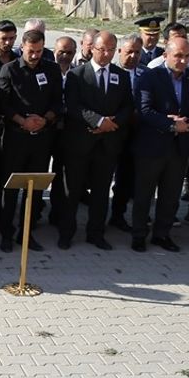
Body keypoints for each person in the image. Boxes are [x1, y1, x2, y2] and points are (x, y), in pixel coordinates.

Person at [130, 37, 189, 252]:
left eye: (187, 56)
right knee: (144, 193)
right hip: (152, 146)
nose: (182, 61)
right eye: (178, 56)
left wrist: (186, 124)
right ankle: (138, 235)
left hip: (179, 147)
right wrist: (171, 124)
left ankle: (161, 234)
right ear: (166, 55)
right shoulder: (150, 77)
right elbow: (144, 110)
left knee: (170, 195)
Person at [59, 31, 133, 250]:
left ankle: (96, 233)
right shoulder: (77, 75)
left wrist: (113, 123)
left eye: (111, 50)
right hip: (80, 142)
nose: (106, 54)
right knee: (72, 191)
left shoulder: (121, 75)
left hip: (107, 144)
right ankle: (66, 233)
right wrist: (98, 121)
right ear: (92, 49)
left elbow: (128, 106)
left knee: (101, 192)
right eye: (102, 49)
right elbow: (73, 106)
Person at [0, 29, 61, 253]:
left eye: (39, 51)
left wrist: (44, 119)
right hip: (16, 138)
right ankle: (6, 233)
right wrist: (22, 121)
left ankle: (26, 233)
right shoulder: (9, 70)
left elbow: (57, 102)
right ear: (22, 47)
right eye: (31, 51)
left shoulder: (51, 69)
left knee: (33, 190)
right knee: (10, 189)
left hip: (41, 139)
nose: (35, 56)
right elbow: (3, 104)